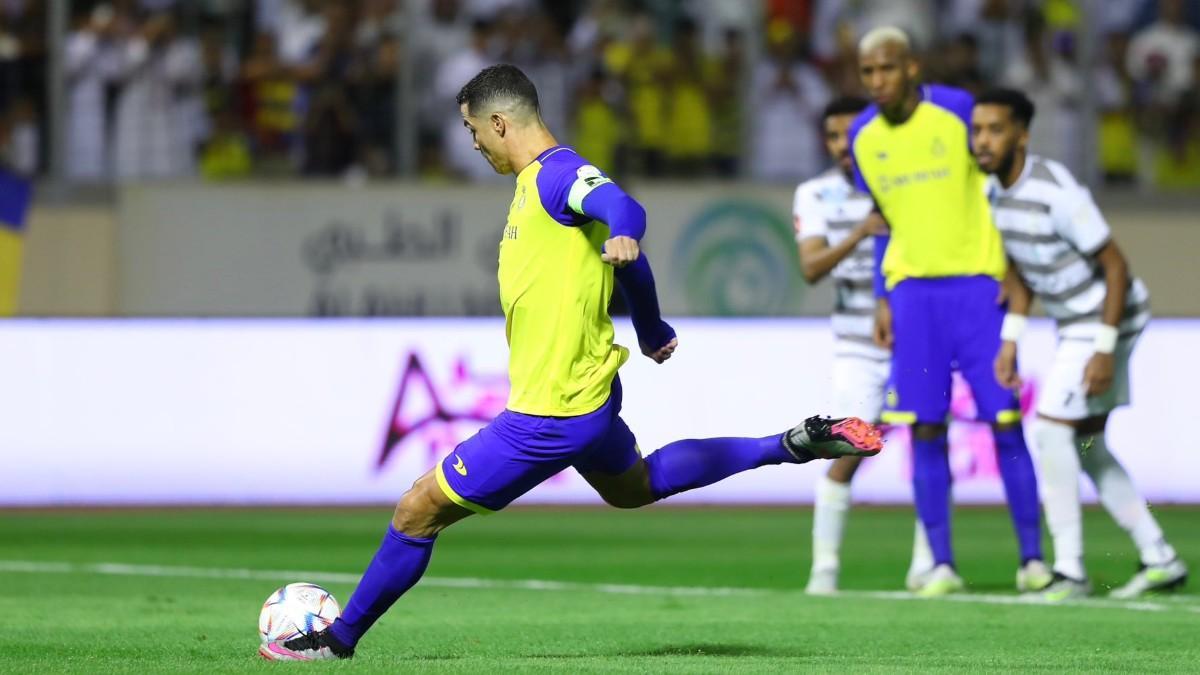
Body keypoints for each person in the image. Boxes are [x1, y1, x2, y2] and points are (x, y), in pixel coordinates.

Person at [260, 64, 883, 661]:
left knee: (415, 510)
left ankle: (335, 641)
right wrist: (650, 325)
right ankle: (794, 442)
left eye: (475, 132)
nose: (475, 146)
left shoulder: (560, 175)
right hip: (588, 397)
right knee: (636, 485)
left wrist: (624, 229)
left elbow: (624, 210)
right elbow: (629, 260)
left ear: (501, 122)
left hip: (550, 413)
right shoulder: (533, 187)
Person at [849, 27, 1049, 597]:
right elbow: (886, 219)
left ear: (913, 67)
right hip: (912, 295)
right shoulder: (865, 137)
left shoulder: (959, 111)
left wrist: (1013, 263)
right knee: (925, 428)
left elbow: (1000, 182)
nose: (877, 82)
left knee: (1005, 421)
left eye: (886, 69)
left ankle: (1033, 560)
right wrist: (882, 296)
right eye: (867, 73)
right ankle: (940, 564)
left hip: (977, 288)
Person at [972, 87, 1189, 601]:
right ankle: (1161, 558)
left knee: (1050, 432)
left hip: (1108, 316)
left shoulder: (1055, 190)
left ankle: (1070, 571)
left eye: (995, 129)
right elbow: (1020, 273)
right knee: (1089, 447)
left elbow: (1116, 266)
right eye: (977, 130)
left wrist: (1103, 348)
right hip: (1076, 323)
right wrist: (1011, 342)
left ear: (1022, 135)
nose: (982, 140)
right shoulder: (994, 192)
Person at [794, 95, 933, 594]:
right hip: (856, 344)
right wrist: (861, 232)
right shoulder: (815, 194)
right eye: (833, 137)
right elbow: (811, 269)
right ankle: (824, 571)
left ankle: (927, 567)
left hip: (915, 342)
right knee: (847, 446)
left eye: (851, 134)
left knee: (926, 449)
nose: (843, 146)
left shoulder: (910, 187)